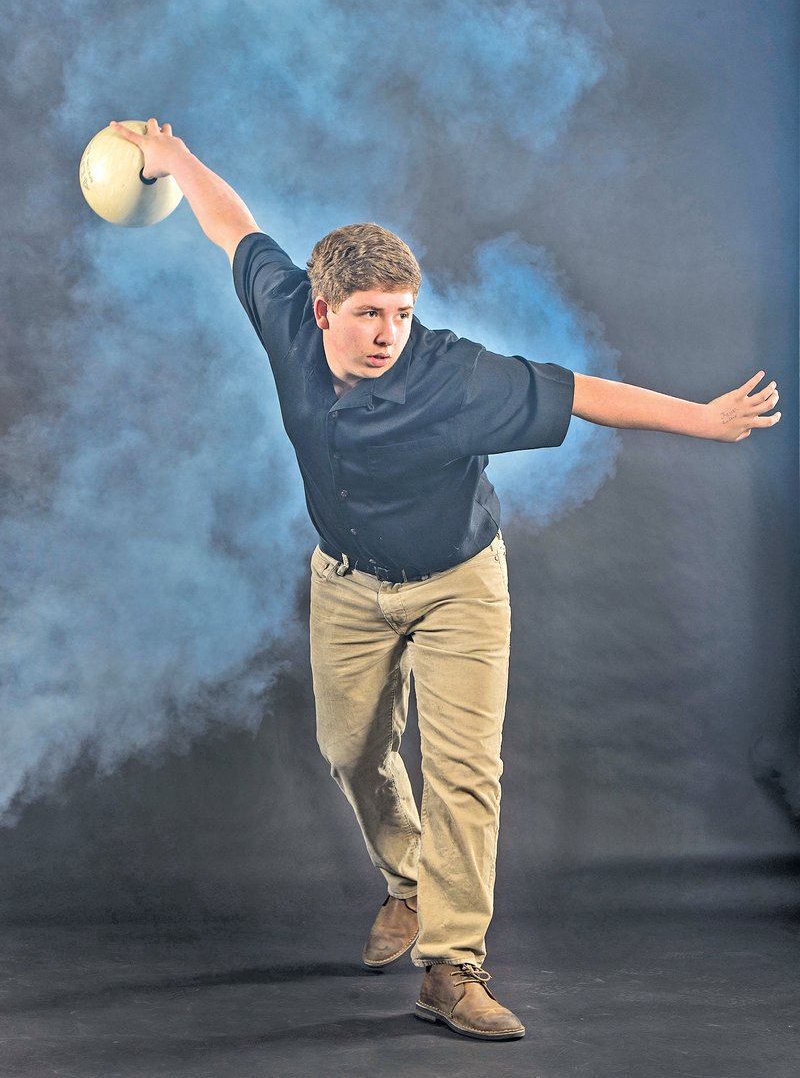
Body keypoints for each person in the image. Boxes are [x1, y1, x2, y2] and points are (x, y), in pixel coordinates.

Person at [110, 119, 782, 1042]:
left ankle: (453, 965)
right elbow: (235, 227)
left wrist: (702, 420)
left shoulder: (456, 375)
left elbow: (582, 391)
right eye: (369, 314)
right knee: (349, 749)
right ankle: (407, 882)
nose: (390, 332)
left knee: (464, 771)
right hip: (348, 583)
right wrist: (175, 160)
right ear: (320, 310)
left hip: (458, 583)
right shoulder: (282, 310)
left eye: (402, 309)